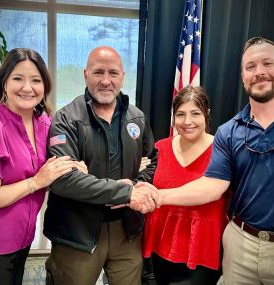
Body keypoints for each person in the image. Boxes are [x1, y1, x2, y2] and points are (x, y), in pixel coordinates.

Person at [138, 37, 274, 285]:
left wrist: (157, 196)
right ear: (243, 75)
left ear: (206, 116)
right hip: (241, 243)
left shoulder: (216, 140)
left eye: (268, 63)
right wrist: (145, 188)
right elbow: (213, 185)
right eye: (251, 67)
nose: (260, 72)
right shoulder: (230, 132)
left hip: (205, 249)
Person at [43, 46, 158, 285]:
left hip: (126, 232)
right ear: (85, 74)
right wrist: (126, 192)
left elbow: (152, 161)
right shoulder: (66, 119)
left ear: (122, 76)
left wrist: (137, 186)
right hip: (77, 234)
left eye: (113, 73)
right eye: (98, 73)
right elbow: (64, 180)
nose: (106, 81)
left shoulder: (137, 118)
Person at [0, 48, 86, 285]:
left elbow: (53, 162)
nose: (27, 87)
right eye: (17, 79)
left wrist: (73, 165)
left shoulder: (45, 122)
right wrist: (36, 182)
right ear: (3, 83)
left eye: (36, 80)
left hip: (24, 237)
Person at [142, 86, 227, 285]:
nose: (187, 122)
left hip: (202, 251)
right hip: (160, 246)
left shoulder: (223, 151)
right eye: (180, 114)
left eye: (195, 113)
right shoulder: (159, 148)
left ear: (207, 115)